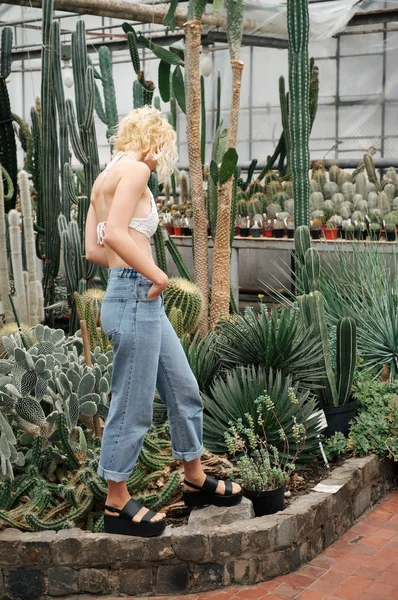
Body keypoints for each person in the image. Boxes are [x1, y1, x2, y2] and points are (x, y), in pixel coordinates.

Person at [85, 106, 242, 538]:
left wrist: (135, 273)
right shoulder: (135, 170)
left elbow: (94, 251)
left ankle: (194, 476)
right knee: (133, 406)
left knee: (182, 386)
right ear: (154, 140)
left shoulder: (103, 179)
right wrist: (158, 274)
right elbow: (115, 235)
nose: (159, 161)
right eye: (162, 151)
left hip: (129, 295)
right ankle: (117, 503)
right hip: (138, 295)